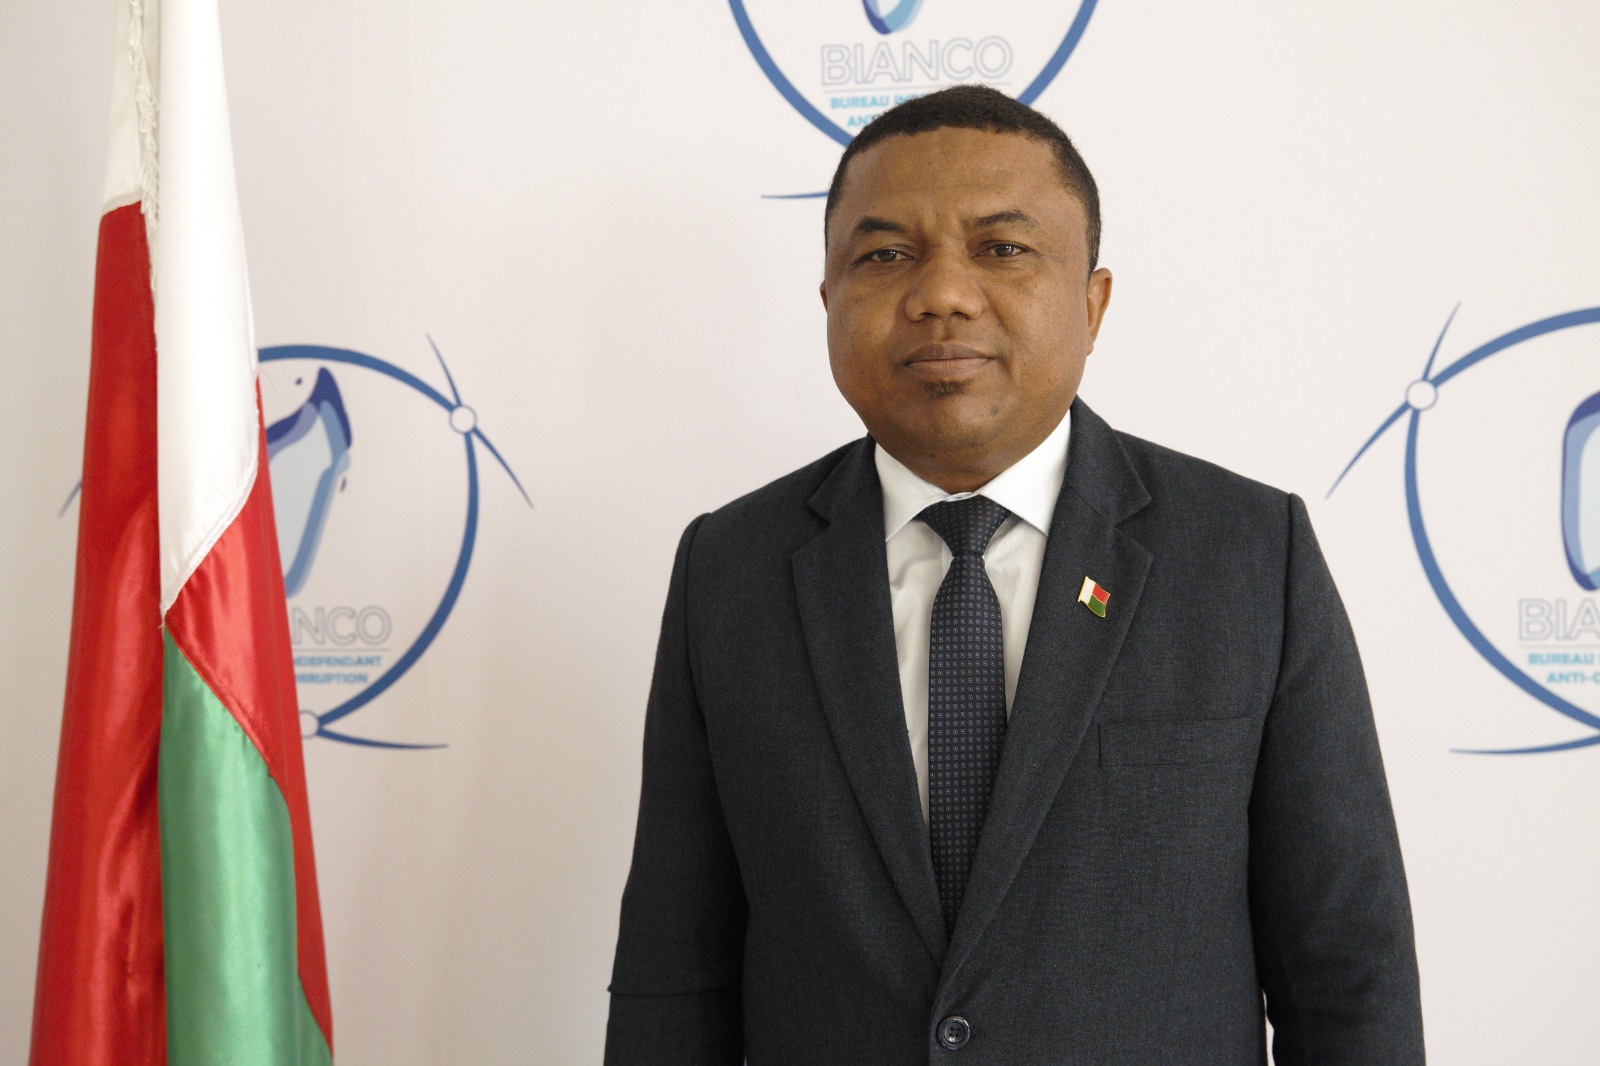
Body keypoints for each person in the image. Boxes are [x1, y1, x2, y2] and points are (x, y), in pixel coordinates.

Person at [604, 85, 1424, 1064]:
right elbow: (676, 974)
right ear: (828, 299)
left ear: (1093, 303)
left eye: (1000, 248)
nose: (942, 295)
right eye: (885, 255)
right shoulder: (730, 569)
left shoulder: (1248, 554)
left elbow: (1348, 972)